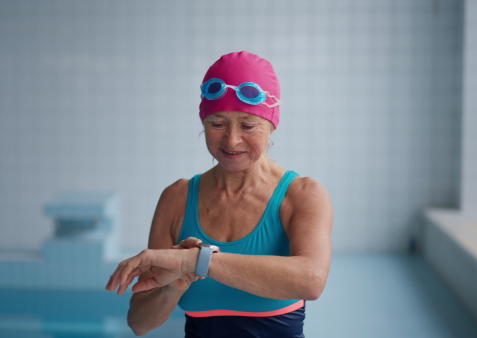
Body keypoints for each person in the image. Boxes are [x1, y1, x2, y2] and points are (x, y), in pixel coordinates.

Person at [106, 51, 333, 338]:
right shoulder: (176, 198)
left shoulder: (302, 195)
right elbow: (139, 323)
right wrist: (175, 284)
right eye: (217, 124)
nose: (232, 139)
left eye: (248, 125)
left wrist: (195, 262)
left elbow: (311, 281)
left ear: (272, 124)